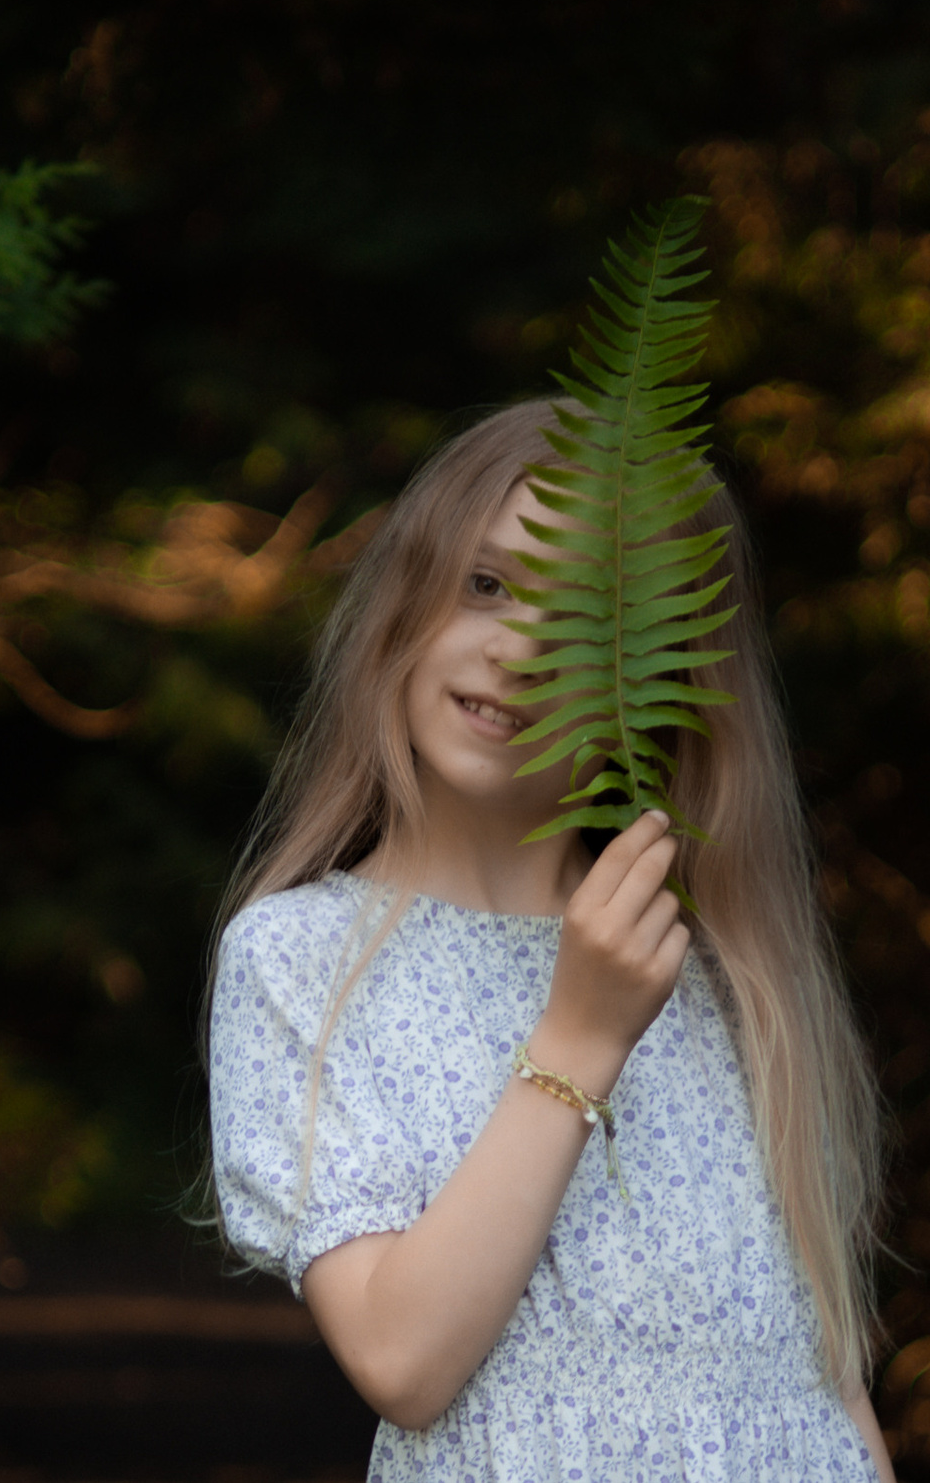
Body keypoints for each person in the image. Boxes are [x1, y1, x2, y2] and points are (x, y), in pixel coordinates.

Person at [205, 399, 892, 1479]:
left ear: (661, 686)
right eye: (485, 584)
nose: (519, 648)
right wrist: (578, 1035)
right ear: (406, 601)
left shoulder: (714, 959)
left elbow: (823, 1382)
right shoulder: (300, 959)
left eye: (586, 624)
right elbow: (401, 1358)